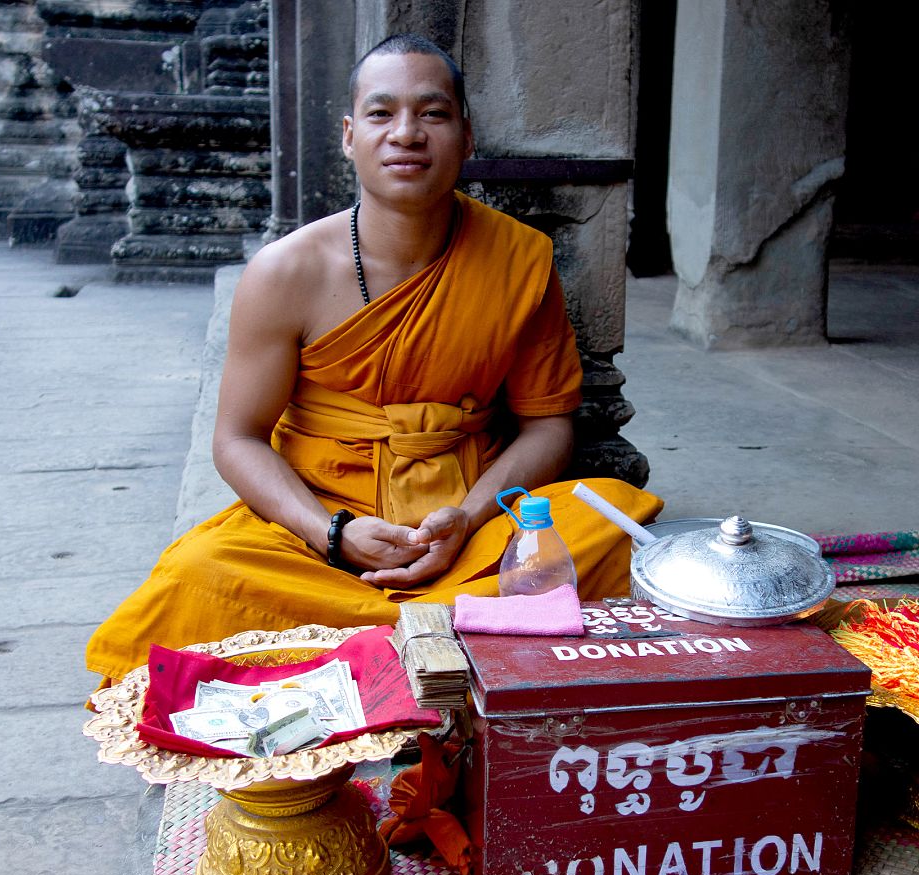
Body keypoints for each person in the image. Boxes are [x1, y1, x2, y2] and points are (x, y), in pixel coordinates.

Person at [85, 34, 662, 686]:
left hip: (469, 523)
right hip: (323, 526)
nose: (408, 134)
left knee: (613, 521)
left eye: (433, 113)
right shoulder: (285, 273)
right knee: (201, 574)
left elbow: (548, 425)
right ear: (349, 135)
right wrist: (333, 533)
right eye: (383, 114)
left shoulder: (520, 259)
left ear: (466, 137)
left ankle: (360, 653)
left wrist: (469, 516)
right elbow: (238, 439)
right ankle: (447, 641)